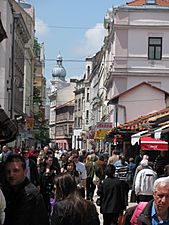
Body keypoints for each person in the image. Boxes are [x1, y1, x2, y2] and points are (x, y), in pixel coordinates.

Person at [2, 154, 49, 225]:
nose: (11, 174)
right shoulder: (11, 189)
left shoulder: (29, 194)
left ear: (25, 172)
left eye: (16, 170)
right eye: (8, 171)